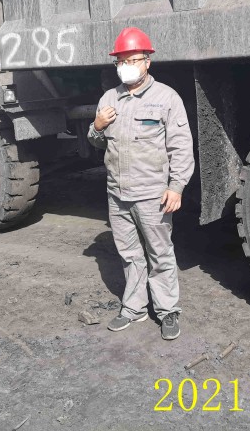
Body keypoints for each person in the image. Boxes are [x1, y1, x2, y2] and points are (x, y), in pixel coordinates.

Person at [88, 27, 195, 340]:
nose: (127, 66)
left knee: (160, 254)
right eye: (122, 61)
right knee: (129, 254)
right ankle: (134, 308)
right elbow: (96, 142)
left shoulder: (166, 98)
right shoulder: (109, 98)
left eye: (133, 59)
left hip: (152, 194)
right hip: (117, 194)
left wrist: (176, 186)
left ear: (147, 61)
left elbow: (181, 146)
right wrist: (97, 126)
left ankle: (168, 311)